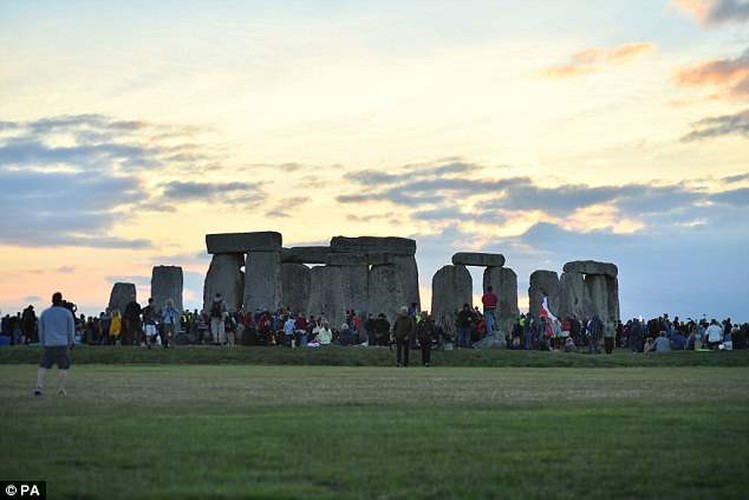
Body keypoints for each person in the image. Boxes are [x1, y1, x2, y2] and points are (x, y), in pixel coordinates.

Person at [34, 292, 75, 396]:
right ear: (61, 300)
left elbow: (41, 330)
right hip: (62, 344)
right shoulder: (67, 313)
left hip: (49, 344)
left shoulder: (45, 313)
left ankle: (39, 387)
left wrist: (43, 342)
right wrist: (71, 342)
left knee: (43, 366)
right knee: (63, 367)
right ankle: (61, 389)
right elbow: (71, 330)